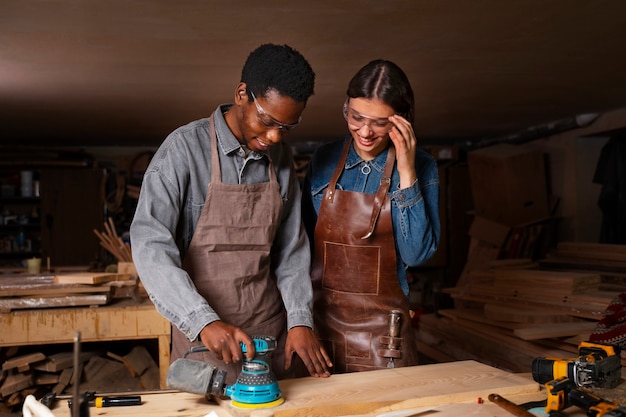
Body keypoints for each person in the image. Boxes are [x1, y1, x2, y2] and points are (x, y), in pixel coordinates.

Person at [130, 43, 332, 384]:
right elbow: (151, 245)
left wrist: (299, 320)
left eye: (287, 127)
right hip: (206, 341)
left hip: (270, 339)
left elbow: (292, 251)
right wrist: (202, 320)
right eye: (266, 121)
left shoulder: (280, 160)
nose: (273, 137)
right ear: (242, 94)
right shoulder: (183, 151)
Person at [302, 59, 440, 373]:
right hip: (321, 329)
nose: (364, 131)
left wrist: (406, 172)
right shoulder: (323, 159)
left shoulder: (424, 166)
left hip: (386, 338)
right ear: (345, 109)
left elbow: (416, 254)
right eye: (356, 117)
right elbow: (300, 247)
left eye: (379, 122)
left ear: (402, 119)